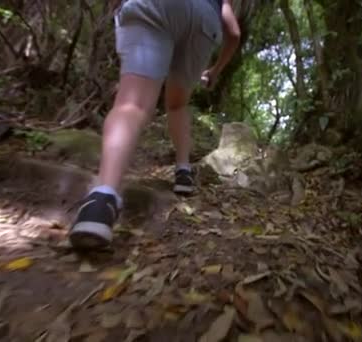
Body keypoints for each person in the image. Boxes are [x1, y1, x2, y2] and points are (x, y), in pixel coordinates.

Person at [68, 0, 241, 249]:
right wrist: (215, 71)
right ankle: (183, 171)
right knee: (178, 104)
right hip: (203, 19)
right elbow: (233, 33)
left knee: (133, 104)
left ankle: (101, 200)